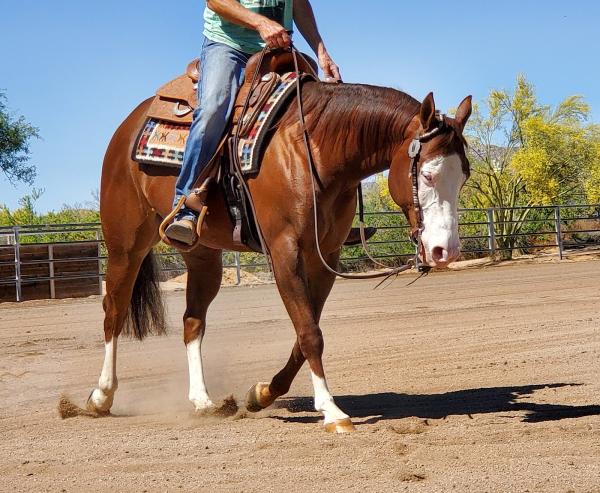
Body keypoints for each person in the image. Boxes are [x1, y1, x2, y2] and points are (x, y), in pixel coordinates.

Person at [165, 0, 341, 245]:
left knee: (314, 111)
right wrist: (260, 22)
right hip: (229, 46)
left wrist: (322, 52)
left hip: (279, 48)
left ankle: (327, 216)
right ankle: (185, 208)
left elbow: (299, 4)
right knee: (213, 109)